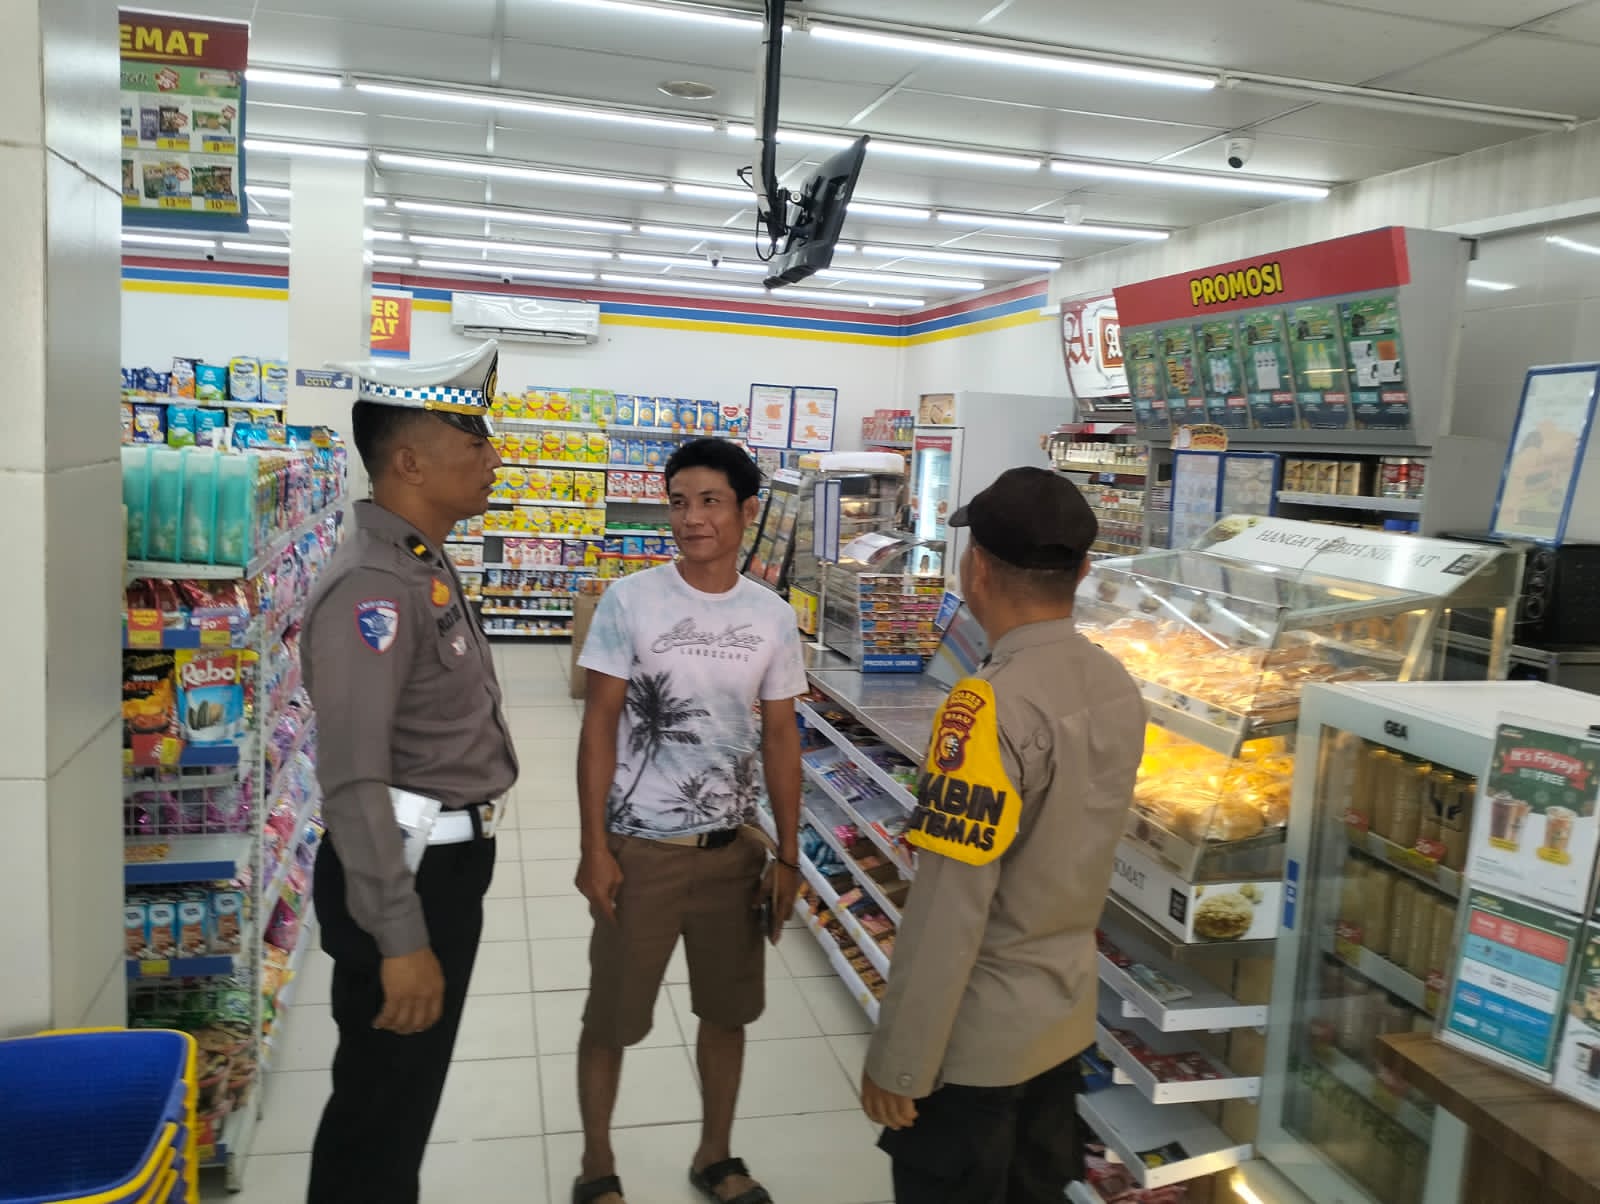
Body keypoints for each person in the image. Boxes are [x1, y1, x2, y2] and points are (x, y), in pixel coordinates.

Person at [859, 466, 1146, 1204]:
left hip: (976, 1048)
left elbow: (949, 908)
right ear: (1083, 569)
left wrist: (900, 1061)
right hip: (1062, 1025)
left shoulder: (988, 706)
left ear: (977, 569)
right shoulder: (1116, 682)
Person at [301, 341, 519, 1204]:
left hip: (438, 865)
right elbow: (353, 780)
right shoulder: (375, 588)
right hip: (406, 874)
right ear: (410, 463)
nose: (493, 456)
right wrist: (401, 939)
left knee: (397, 1102)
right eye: (474, 439)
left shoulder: (417, 560)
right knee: (380, 1115)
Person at [572, 437, 807, 1204]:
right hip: (639, 850)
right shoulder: (630, 601)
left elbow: (780, 738)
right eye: (679, 502)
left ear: (747, 511)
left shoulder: (772, 617)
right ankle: (597, 1166)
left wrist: (789, 856)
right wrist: (594, 847)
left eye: (710, 502)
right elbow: (599, 728)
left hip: (733, 854)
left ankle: (716, 1155)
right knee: (611, 1019)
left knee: (727, 1013)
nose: (691, 518)